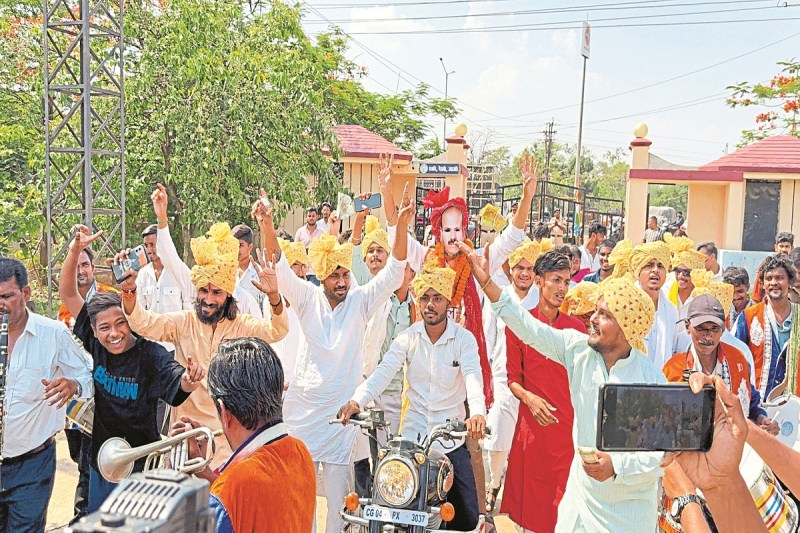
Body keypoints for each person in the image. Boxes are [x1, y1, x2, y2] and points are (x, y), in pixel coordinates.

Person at [462, 243, 667, 532]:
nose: (592, 320)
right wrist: (486, 282)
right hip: (580, 503)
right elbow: (527, 328)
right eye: (595, 311)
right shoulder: (577, 349)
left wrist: (617, 467)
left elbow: (664, 455)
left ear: (626, 328)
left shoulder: (650, 379)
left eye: (604, 315)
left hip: (627, 512)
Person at [252, 184, 412, 533]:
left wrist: (400, 228)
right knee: (301, 497)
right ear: (321, 276)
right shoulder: (307, 297)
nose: (341, 281)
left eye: (344, 274)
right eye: (334, 275)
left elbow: (396, 271)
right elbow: (278, 266)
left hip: (341, 416)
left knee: (340, 504)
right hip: (304, 412)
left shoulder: (360, 301)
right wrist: (267, 226)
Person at [383, 153, 538, 499]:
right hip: (428, 358)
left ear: (465, 230)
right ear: (438, 231)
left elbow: (510, 239)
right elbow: (398, 236)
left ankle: (478, 512)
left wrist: (526, 198)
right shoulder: (424, 257)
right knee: (417, 440)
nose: (453, 237)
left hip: (466, 358)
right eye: (447, 230)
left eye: (458, 229)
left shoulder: (478, 259)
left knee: (469, 441)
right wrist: (387, 194)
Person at [117, 220, 289, 469]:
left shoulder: (241, 326)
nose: (208, 299)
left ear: (228, 295)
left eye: (216, 292)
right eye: (203, 291)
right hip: (185, 435)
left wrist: (274, 297)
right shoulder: (184, 322)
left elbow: (277, 330)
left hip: (227, 439)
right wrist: (129, 291)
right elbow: (143, 324)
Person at [59, 225, 205, 512]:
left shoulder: (150, 354)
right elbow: (67, 291)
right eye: (104, 328)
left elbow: (177, 390)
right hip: (103, 462)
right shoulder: (96, 343)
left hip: (141, 468)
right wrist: (75, 249)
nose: (113, 334)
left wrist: (189, 380)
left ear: (130, 319)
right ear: (92, 330)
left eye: (120, 324)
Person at [338, 266, 487, 531]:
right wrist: (357, 401)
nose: (430, 304)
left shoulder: (463, 340)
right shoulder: (408, 337)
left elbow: (474, 376)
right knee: (385, 505)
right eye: (425, 298)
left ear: (448, 302)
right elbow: (383, 371)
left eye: (437, 298)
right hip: (411, 443)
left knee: (468, 518)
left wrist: (476, 413)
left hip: (449, 442)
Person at [172, 338, 316, 533]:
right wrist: (205, 472)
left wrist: (171, 483)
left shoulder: (232, 488)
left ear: (224, 412)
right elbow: (251, 505)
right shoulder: (300, 452)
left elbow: (231, 502)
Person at [0, 256, 94, 533]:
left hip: (32, 466)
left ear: (26, 294)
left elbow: (90, 374)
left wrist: (74, 385)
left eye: (7, 296)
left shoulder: (52, 334)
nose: (0, 304)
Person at [501, 251, 587, 533]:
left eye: (567, 281)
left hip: (566, 432)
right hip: (533, 430)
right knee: (532, 511)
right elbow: (512, 377)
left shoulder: (576, 330)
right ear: (539, 281)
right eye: (556, 280)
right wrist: (529, 397)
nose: (563, 288)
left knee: (564, 509)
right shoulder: (519, 324)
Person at [482, 239, 548, 513]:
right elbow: (488, 340)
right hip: (502, 377)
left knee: (530, 442)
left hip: (534, 381)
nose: (523, 273)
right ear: (511, 269)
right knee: (497, 435)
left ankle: (524, 496)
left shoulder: (540, 300)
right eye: (518, 267)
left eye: (528, 268)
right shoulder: (499, 295)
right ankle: (492, 488)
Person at [54, 237, 117, 522]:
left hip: (105, 397)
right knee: (79, 457)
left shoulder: (110, 298)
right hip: (74, 401)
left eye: (85, 265)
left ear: (94, 267)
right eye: (75, 265)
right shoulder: (64, 309)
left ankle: (84, 518)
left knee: (91, 466)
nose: (81, 271)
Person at [149, 184, 263, 318]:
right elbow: (170, 260)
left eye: (217, 293)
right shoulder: (198, 290)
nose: (208, 300)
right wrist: (162, 219)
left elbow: (264, 333)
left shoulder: (245, 301)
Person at [662, 295, 766, 425]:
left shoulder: (737, 359)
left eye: (714, 328)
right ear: (688, 327)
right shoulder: (674, 368)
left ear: (723, 330)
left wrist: (762, 418)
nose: (708, 335)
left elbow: (752, 402)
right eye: (701, 328)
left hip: (733, 441)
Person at [734, 254, 800, 403]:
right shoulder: (749, 317)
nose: (773, 283)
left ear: (790, 282)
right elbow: (734, 358)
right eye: (769, 278)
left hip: (796, 406)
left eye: (779, 278)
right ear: (762, 284)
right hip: (759, 407)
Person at [631, 241, 679, 368]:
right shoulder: (627, 305)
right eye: (649, 265)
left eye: (660, 266)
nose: (655, 270)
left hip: (661, 382)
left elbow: (673, 350)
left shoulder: (671, 311)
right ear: (638, 271)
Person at [664, 233, 706, 320]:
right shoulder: (665, 292)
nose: (681, 276)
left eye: (686, 272)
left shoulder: (703, 297)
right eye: (678, 271)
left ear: (696, 273)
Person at [231, 223, 263, 307]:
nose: (237, 250)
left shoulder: (259, 274)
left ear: (250, 246)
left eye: (241, 245)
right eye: (234, 245)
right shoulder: (228, 272)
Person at [295, 206, 326, 286]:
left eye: (313, 216)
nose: (311, 218)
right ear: (306, 217)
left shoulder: (322, 233)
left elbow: (325, 251)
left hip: (315, 271)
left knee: (314, 295)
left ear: (317, 217)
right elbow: (295, 250)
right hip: (302, 271)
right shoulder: (300, 232)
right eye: (309, 216)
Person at [724, 266, 753, 330]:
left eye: (740, 291)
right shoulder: (724, 311)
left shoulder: (757, 310)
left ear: (747, 287)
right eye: (731, 292)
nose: (735, 297)